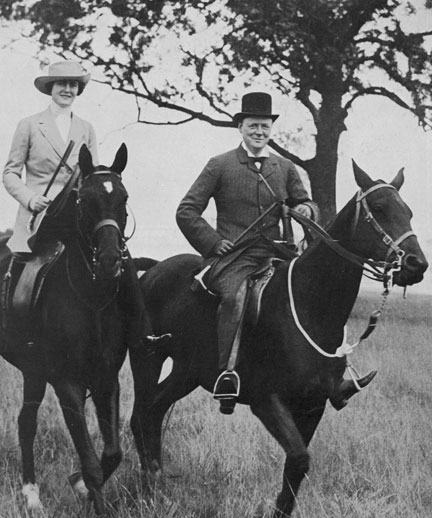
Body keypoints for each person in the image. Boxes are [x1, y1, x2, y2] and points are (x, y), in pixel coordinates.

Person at [176, 92, 374, 413]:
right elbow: (187, 211)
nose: (259, 132)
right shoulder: (219, 165)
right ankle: (228, 375)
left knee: (318, 299)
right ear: (240, 127)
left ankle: (334, 378)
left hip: (278, 256)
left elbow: (305, 201)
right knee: (235, 298)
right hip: (234, 259)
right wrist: (213, 244)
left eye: (265, 126)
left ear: (271, 129)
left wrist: (307, 210)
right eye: (253, 125)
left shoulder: (284, 168)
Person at [3, 60, 170, 349]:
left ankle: (142, 333)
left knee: (120, 256)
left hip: (78, 212)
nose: (67, 89)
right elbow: (10, 173)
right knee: (26, 267)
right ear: (50, 89)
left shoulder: (86, 128)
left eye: (73, 85)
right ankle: (21, 329)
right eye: (61, 84)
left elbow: (91, 174)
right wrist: (30, 198)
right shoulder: (29, 125)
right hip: (41, 215)